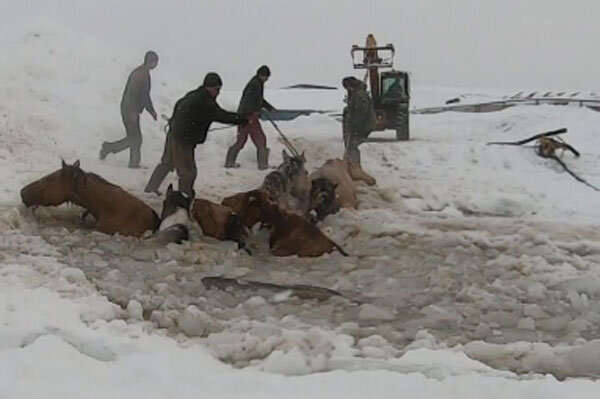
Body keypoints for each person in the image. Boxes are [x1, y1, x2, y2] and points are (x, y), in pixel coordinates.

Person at [144, 72, 247, 196]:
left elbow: (178, 105)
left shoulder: (193, 95)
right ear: (209, 87)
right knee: (188, 171)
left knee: (167, 163)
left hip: (174, 132)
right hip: (183, 138)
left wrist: (175, 121)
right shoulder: (206, 101)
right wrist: (242, 119)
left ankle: (150, 189)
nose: (218, 92)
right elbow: (222, 115)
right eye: (217, 89)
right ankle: (184, 196)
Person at [100, 51, 158, 168]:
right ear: (151, 62)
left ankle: (132, 162)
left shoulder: (143, 73)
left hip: (130, 109)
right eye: (155, 62)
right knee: (135, 138)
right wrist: (133, 111)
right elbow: (133, 94)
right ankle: (109, 148)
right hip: (129, 110)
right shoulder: (140, 75)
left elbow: (144, 96)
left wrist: (151, 111)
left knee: (134, 138)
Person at [224, 65, 276, 170]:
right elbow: (251, 100)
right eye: (266, 77)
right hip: (249, 117)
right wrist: (254, 112)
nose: (266, 79)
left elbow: (259, 99)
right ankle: (263, 164)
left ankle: (229, 162)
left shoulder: (256, 83)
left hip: (243, 116)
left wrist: (268, 107)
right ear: (261, 75)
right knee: (260, 139)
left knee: (241, 140)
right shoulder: (255, 85)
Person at [342, 76, 375, 167]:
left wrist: (356, 126)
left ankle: (354, 166)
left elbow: (361, 112)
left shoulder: (359, 95)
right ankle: (353, 165)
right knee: (351, 145)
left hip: (363, 126)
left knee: (352, 146)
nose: (347, 89)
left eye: (347, 87)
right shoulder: (356, 94)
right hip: (360, 125)